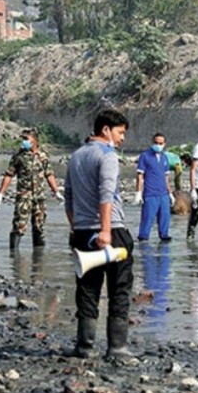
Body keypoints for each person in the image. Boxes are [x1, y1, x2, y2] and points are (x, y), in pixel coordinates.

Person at [65, 109, 134, 358]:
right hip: (111, 230)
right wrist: (105, 230)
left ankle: (85, 346)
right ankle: (117, 347)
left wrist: (77, 227)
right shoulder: (107, 155)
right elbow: (107, 193)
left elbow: (69, 198)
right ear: (106, 130)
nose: (122, 138)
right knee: (120, 287)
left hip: (83, 233)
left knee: (87, 288)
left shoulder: (76, 156)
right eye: (120, 132)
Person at [0, 129, 64, 249]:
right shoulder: (19, 156)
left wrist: (56, 191)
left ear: (34, 141)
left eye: (26, 139)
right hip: (24, 196)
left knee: (39, 226)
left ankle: (38, 260)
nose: (23, 142)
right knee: (19, 226)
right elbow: (9, 175)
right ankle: (14, 258)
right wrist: (1, 193)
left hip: (39, 197)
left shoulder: (43, 156)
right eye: (23, 139)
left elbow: (49, 174)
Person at [133, 132, 175, 242]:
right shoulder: (145, 156)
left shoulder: (165, 157)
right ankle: (143, 238)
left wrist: (170, 193)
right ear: (152, 142)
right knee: (147, 219)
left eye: (161, 143)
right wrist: (138, 193)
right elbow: (140, 175)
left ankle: (164, 237)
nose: (158, 145)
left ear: (165, 144)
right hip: (150, 193)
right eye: (156, 143)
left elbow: (166, 177)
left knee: (165, 218)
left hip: (163, 194)